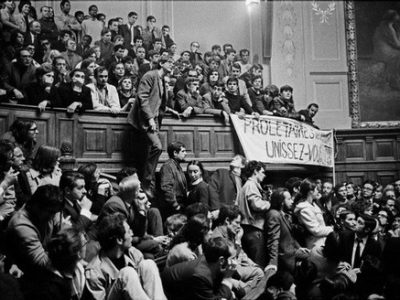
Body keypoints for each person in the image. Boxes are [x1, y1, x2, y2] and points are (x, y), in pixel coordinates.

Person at [85, 213, 167, 300]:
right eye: (128, 231)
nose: (132, 233)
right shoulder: (94, 272)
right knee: (127, 273)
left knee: (148, 264)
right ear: (119, 240)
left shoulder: (133, 253)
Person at [127, 57, 173, 194]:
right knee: (157, 147)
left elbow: (160, 102)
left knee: (150, 150)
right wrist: (151, 119)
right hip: (145, 119)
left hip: (155, 119)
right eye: (170, 62)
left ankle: (148, 182)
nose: (172, 65)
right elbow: (142, 98)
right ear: (162, 64)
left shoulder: (163, 80)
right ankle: (146, 181)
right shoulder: (150, 75)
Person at [100, 175, 166, 259]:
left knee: (150, 255)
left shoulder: (130, 199)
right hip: (115, 243)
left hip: (130, 237)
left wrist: (142, 211)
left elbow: (140, 231)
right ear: (135, 193)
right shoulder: (115, 206)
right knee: (155, 245)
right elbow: (122, 235)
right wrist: (152, 239)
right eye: (139, 190)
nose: (141, 192)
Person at [6, 185, 63, 277]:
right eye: (50, 212)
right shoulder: (21, 225)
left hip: (45, 261)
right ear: (36, 206)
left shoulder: (49, 210)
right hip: (28, 273)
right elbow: (43, 262)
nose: (52, 217)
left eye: (55, 212)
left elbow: (62, 229)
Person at [161, 236, 239, 300]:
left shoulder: (211, 262)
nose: (236, 262)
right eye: (233, 258)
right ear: (221, 260)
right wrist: (227, 280)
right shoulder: (200, 275)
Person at [212, 205, 264, 294]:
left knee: (259, 271)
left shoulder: (232, 233)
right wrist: (238, 241)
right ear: (227, 221)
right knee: (259, 275)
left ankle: (245, 289)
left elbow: (242, 254)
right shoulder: (217, 238)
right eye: (237, 222)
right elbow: (226, 265)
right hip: (227, 273)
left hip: (237, 268)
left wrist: (254, 265)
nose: (239, 227)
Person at [265, 188, 310, 275]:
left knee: (313, 254)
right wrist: (273, 263)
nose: (292, 201)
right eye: (289, 199)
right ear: (281, 202)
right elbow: (273, 240)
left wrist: (299, 247)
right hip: (285, 256)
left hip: (292, 251)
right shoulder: (274, 215)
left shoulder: (282, 213)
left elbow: (290, 236)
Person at [238, 160, 270, 267]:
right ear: (256, 171)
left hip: (248, 229)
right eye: (263, 172)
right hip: (254, 229)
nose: (264, 175)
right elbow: (257, 205)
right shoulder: (251, 185)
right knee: (259, 263)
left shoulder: (247, 185)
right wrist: (269, 203)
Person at [294, 178, 334, 249]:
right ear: (310, 192)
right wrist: (331, 229)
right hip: (315, 244)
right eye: (316, 189)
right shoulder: (304, 209)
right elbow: (316, 230)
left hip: (322, 241)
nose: (318, 191)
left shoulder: (314, 204)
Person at [159, 141, 188, 219]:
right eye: (183, 151)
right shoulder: (168, 166)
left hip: (179, 205)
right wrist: (176, 206)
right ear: (175, 153)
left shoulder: (176, 165)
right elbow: (166, 188)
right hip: (172, 208)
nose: (186, 153)